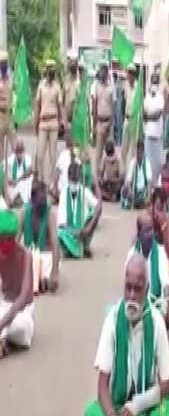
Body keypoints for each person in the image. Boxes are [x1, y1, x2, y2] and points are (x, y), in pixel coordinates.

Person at [84, 254, 169, 416]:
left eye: (137, 289)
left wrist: (137, 405)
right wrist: (110, 413)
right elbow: (102, 384)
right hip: (116, 407)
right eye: (127, 287)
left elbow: (166, 384)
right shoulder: (112, 319)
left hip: (146, 407)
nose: (131, 295)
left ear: (146, 288)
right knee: (91, 411)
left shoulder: (157, 322)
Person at [126, 213, 169, 330]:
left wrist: (165, 311)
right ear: (139, 233)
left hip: (155, 305)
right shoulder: (132, 254)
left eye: (151, 230)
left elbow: (166, 286)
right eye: (146, 231)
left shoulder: (159, 252)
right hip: (137, 305)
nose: (150, 234)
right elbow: (127, 288)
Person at [0, 209, 34, 359]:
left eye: (9, 239)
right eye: (2, 239)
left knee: (19, 328)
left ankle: (3, 339)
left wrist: (3, 323)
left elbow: (24, 295)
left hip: (22, 310)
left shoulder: (25, 255)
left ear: (15, 237)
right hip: (4, 304)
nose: (5, 243)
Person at [18, 180, 60, 294]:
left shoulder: (50, 213)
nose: (43, 203)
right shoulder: (23, 212)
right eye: (41, 200)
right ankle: (36, 280)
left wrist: (55, 272)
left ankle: (39, 279)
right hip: (29, 255)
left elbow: (55, 244)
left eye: (44, 199)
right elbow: (15, 242)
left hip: (45, 257)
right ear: (32, 200)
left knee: (45, 264)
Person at [57, 162, 102, 258]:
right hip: (69, 231)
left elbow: (98, 206)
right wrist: (74, 231)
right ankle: (71, 250)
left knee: (94, 213)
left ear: (80, 179)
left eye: (76, 180)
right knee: (58, 233)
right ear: (69, 179)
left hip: (83, 230)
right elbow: (61, 223)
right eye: (73, 181)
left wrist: (88, 227)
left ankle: (85, 246)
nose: (74, 183)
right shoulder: (64, 193)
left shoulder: (84, 191)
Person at [35, 59, 63, 185]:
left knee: (53, 155)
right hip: (43, 122)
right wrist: (35, 122)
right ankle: (41, 180)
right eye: (49, 68)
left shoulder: (57, 86)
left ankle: (52, 182)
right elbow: (37, 105)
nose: (51, 70)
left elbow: (60, 106)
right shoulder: (41, 85)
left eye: (53, 68)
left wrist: (62, 122)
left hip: (53, 123)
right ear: (45, 70)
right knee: (40, 154)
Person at [93, 61, 115, 172]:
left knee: (110, 152)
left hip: (109, 123)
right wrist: (94, 126)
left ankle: (108, 175)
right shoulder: (96, 86)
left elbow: (113, 106)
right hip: (99, 123)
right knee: (98, 153)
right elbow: (94, 105)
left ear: (107, 73)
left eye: (104, 70)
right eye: (100, 70)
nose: (102, 72)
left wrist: (110, 124)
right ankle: (97, 176)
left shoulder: (111, 87)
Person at [144, 73, 164, 185]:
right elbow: (144, 114)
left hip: (157, 135)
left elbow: (157, 115)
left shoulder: (160, 98)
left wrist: (149, 116)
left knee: (156, 164)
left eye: (156, 82)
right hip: (148, 133)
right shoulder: (147, 97)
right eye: (153, 82)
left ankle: (155, 187)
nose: (154, 84)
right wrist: (150, 116)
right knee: (148, 163)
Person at [50, 132, 81, 202]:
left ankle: (60, 197)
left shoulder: (63, 154)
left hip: (64, 190)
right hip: (74, 190)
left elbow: (57, 172)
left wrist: (55, 188)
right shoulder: (78, 157)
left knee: (51, 188)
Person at [122, 140, 153, 209]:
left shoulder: (147, 163)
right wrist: (130, 190)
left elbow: (149, 181)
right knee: (124, 190)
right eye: (137, 151)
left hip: (143, 190)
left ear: (143, 151)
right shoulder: (132, 162)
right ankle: (132, 202)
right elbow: (128, 180)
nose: (138, 153)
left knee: (150, 195)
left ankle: (141, 203)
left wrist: (148, 196)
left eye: (140, 151)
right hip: (134, 190)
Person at [6, 139, 33, 207]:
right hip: (13, 185)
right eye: (17, 151)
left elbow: (30, 170)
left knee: (29, 179)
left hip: (23, 183)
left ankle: (24, 202)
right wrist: (8, 179)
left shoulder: (27, 158)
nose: (19, 153)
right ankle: (13, 201)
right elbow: (4, 169)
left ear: (23, 151)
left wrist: (18, 180)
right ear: (15, 152)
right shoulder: (11, 159)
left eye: (21, 151)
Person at [121, 63, 138, 164]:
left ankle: (131, 175)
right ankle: (123, 172)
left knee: (132, 151)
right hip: (126, 120)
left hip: (134, 120)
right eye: (129, 72)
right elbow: (123, 102)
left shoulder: (138, 87)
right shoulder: (125, 86)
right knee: (123, 149)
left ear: (134, 74)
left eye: (132, 73)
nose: (130, 75)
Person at [0, 50, 15, 156]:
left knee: (15, 146)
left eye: (5, 62)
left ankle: (17, 170)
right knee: (0, 150)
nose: (3, 65)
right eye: (1, 63)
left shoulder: (12, 79)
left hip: (10, 117)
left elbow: (16, 96)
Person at [63, 52, 80, 136]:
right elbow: (62, 101)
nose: (72, 64)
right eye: (71, 62)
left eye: (74, 62)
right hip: (68, 117)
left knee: (77, 143)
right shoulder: (65, 79)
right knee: (68, 143)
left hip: (78, 117)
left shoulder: (80, 80)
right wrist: (64, 121)